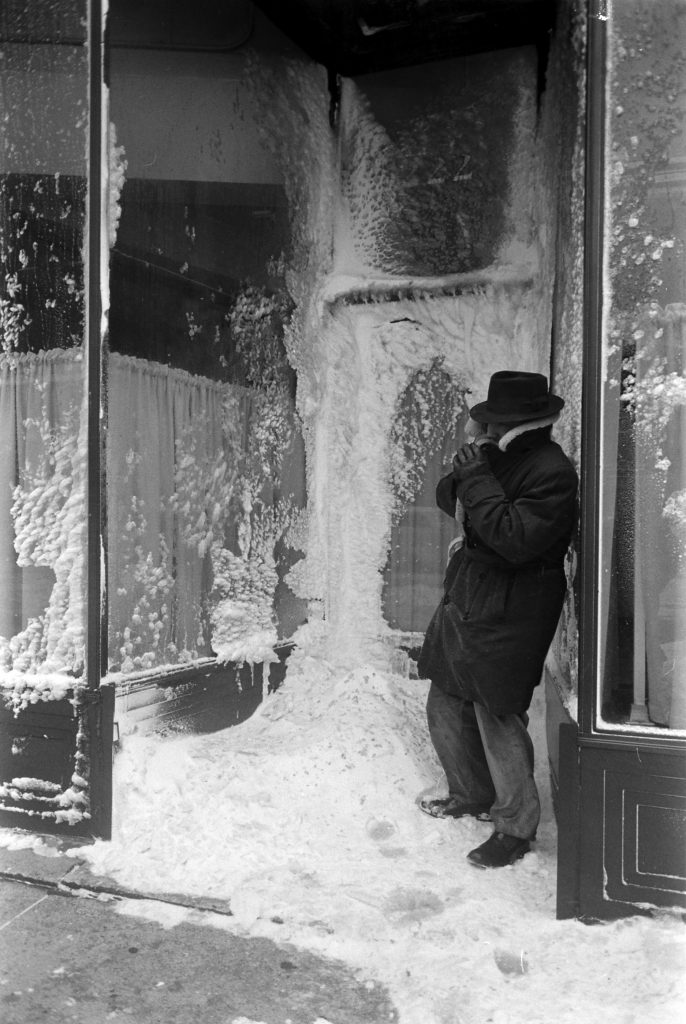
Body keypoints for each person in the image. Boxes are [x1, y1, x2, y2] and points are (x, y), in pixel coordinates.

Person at [417, 370, 578, 869]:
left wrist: (478, 476)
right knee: (446, 690)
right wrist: (471, 467)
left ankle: (515, 825)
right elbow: (450, 499)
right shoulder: (499, 456)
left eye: (490, 423)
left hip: (515, 606)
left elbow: (511, 537)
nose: (482, 429)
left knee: (497, 710)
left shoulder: (552, 470)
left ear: (518, 424)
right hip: (473, 592)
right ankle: (469, 793)